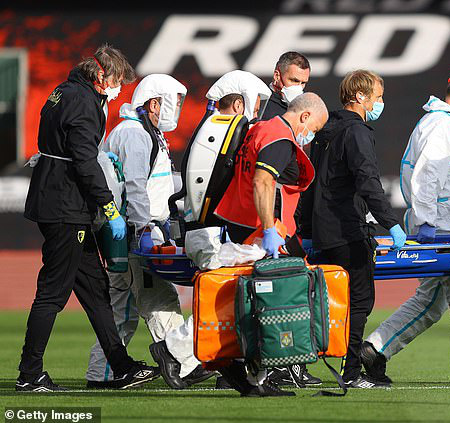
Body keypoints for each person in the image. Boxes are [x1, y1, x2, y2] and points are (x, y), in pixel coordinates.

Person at [18, 45, 158, 392]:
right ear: (100, 77)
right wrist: (109, 208)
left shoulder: (64, 92)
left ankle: (121, 366)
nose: (118, 89)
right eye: (116, 82)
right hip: (65, 207)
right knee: (52, 294)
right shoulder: (82, 102)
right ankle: (29, 374)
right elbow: (84, 161)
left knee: (96, 291)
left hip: (59, 201)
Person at [360, 67, 450, 385]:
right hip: (444, 227)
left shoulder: (446, 123)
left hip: (445, 223)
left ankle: (374, 349)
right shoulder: (442, 124)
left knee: (431, 301)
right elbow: (428, 175)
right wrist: (426, 222)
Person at [84, 74, 213, 389]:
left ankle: (109, 370)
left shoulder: (141, 132)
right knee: (148, 299)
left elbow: (158, 181)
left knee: (130, 302)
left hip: (132, 230)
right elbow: (135, 186)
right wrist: (143, 229)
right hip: (134, 232)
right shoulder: (136, 134)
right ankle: (178, 363)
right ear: (155, 102)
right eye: (174, 101)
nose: (176, 108)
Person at [148, 70, 272, 390]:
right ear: (239, 102)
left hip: (206, 232)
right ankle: (175, 350)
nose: (256, 112)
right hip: (213, 234)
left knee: (236, 298)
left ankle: (231, 366)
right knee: (234, 299)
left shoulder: (213, 129)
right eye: (253, 104)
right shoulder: (227, 131)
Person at [215, 92, 329, 397]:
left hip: (249, 224)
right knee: (274, 300)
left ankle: (260, 376)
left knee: (258, 304)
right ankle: (177, 352)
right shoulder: (279, 137)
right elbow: (263, 181)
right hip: (262, 230)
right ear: (304, 116)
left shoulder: (262, 129)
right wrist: (268, 230)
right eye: (313, 129)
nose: (310, 137)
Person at [300, 70, 407, 388]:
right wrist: (391, 223)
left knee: (327, 300)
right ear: (360, 97)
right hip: (347, 229)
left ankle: (299, 364)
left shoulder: (326, 130)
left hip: (324, 229)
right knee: (360, 300)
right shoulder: (357, 132)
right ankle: (351, 373)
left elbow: (312, 180)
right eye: (378, 96)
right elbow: (368, 181)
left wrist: (307, 225)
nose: (381, 103)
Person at [261, 51, 310, 120]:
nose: (299, 87)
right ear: (277, 76)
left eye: (303, 83)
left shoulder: (308, 109)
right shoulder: (260, 105)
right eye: (294, 80)